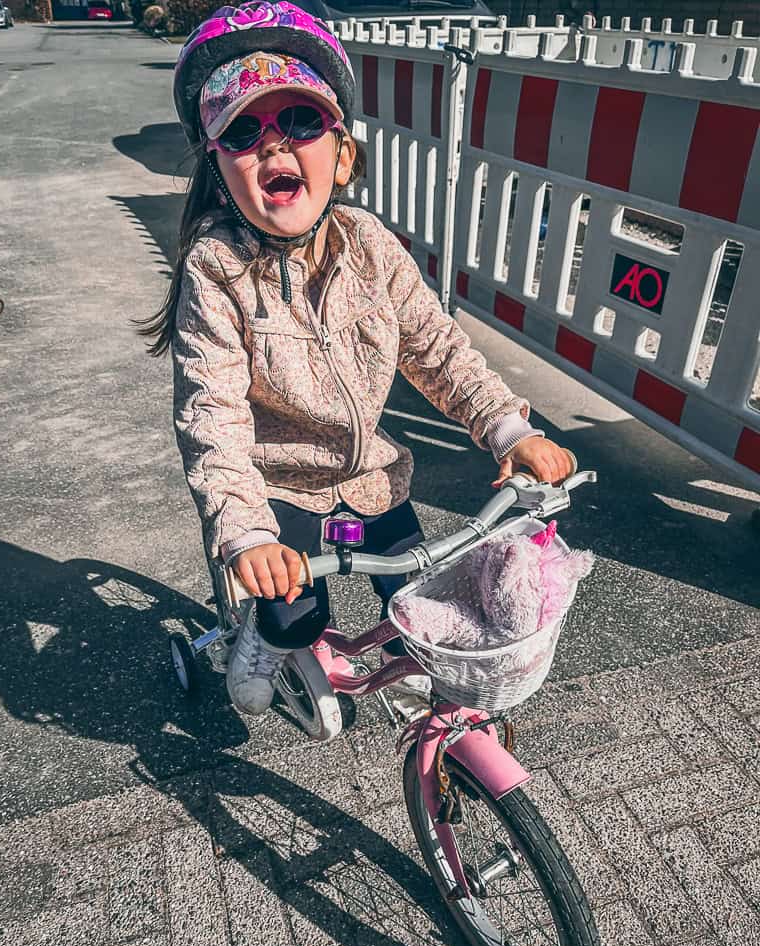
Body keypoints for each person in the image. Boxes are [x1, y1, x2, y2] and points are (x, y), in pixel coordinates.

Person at [140, 1, 574, 716]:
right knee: (294, 614)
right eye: (244, 133)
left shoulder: (369, 245)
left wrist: (507, 428)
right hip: (278, 492)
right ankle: (262, 634)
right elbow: (210, 412)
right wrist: (246, 531)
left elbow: (437, 349)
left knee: (414, 602)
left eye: (302, 123)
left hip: (371, 477)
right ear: (221, 175)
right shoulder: (216, 269)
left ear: (341, 155)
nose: (274, 146)